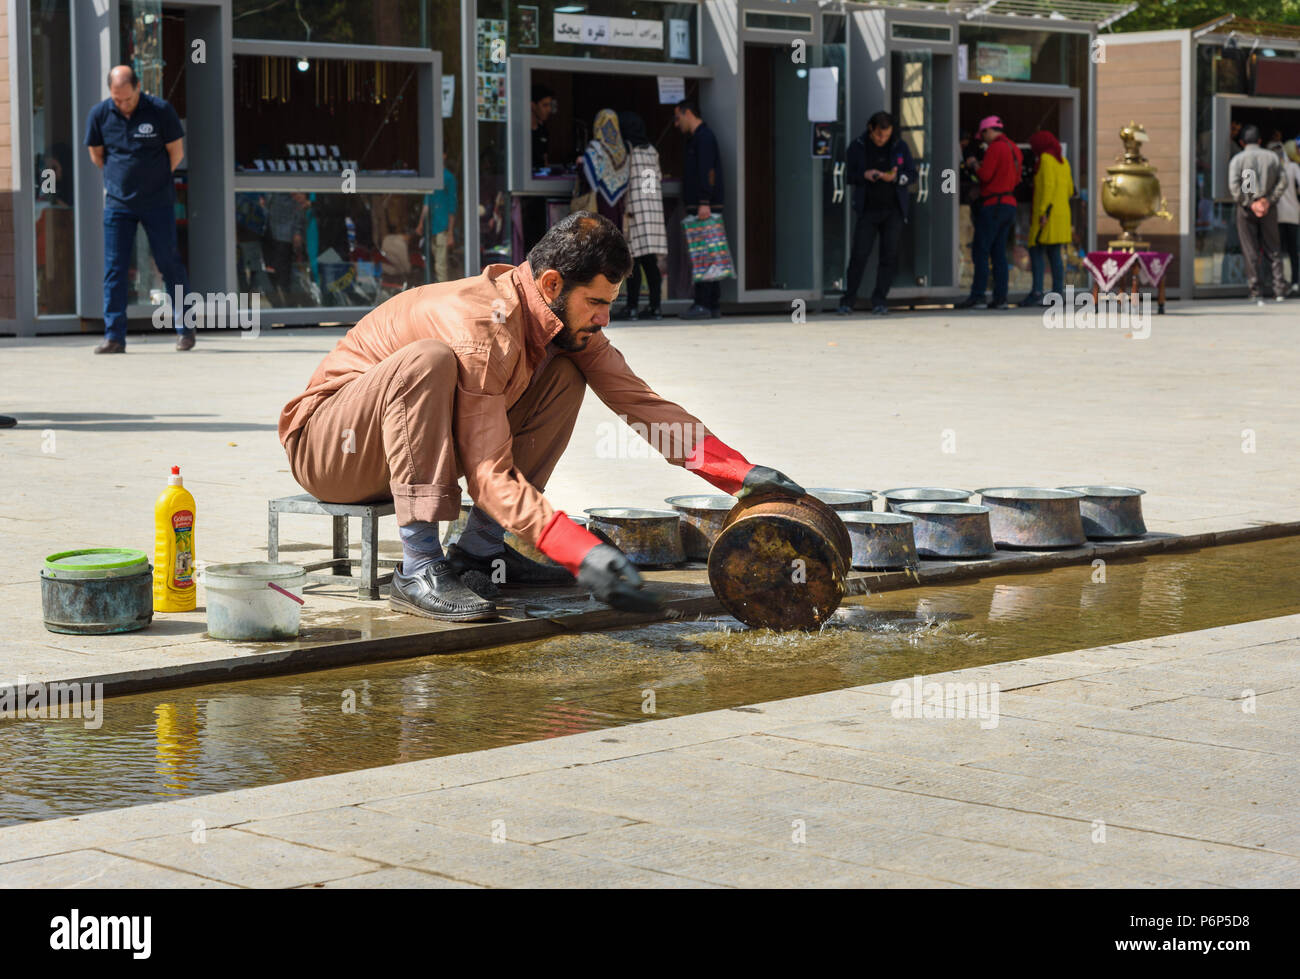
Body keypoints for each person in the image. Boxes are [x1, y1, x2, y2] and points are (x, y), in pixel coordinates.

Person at [278, 213, 804, 622]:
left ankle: (479, 554)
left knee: (567, 372)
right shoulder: (479, 328)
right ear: (552, 285)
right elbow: (488, 474)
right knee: (429, 361)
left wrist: (739, 474)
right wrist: (576, 548)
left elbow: (639, 401)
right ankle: (418, 567)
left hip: (396, 448)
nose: (604, 318)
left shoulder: (557, 321)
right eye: (596, 302)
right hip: (333, 451)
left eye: (611, 303)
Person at [84, 65, 192, 352]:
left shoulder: (160, 111)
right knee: (115, 269)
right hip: (118, 204)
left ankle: (185, 330)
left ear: (138, 87)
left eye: (127, 99)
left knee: (169, 264)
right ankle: (114, 336)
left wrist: (152, 181)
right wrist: (120, 180)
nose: (122, 104)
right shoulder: (100, 114)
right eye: (117, 99)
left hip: (158, 202)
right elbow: (97, 155)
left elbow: (176, 152)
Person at [837, 111, 916, 316]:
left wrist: (896, 179)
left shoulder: (900, 146)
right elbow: (846, 175)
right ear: (871, 129)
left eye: (886, 135)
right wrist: (863, 176)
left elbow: (912, 174)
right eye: (879, 135)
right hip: (868, 210)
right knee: (859, 255)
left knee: (889, 256)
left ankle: (880, 300)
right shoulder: (857, 146)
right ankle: (848, 300)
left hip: (893, 210)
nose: (882, 139)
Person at [955, 115, 1022, 311]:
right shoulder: (1014, 148)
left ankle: (978, 296)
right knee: (999, 252)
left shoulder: (995, 147)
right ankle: (1000, 298)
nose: (983, 140)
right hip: (1009, 204)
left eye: (983, 135)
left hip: (994, 205)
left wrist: (973, 163)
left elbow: (985, 174)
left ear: (988, 130)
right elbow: (1015, 179)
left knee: (981, 250)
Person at [613, 111, 667, 321]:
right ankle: (656, 308)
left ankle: (632, 307)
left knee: (633, 262)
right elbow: (658, 177)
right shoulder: (652, 150)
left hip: (635, 210)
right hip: (653, 211)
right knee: (651, 262)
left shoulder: (628, 150)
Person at [675, 99, 726, 319]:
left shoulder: (704, 138)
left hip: (705, 206)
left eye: (678, 118)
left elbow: (708, 171)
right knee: (708, 254)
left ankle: (704, 303)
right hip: (704, 205)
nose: (677, 124)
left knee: (704, 254)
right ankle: (712, 304)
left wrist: (704, 201)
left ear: (688, 113)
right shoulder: (698, 138)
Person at [1228, 124, 1287, 306]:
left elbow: (1235, 186)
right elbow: (1282, 181)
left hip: (1247, 210)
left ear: (1242, 141)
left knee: (1250, 250)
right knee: (1274, 249)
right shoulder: (1272, 157)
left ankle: (1256, 292)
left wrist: (1251, 203)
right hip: (1268, 208)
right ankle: (1279, 290)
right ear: (1260, 141)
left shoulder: (1239, 159)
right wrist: (1267, 200)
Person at [1021, 130, 1074, 308]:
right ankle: (1057, 293)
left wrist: (1043, 212)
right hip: (1061, 215)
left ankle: (1037, 292)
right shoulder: (1063, 162)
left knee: (1036, 252)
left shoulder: (1045, 159)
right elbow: (1069, 190)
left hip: (1046, 215)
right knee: (1055, 255)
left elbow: (1047, 187)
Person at [577, 109, 629, 227]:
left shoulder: (595, 149)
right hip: (619, 205)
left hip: (599, 203)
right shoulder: (622, 151)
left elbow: (586, 176)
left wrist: (580, 164)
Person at [418, 150, 458, 283]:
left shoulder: (448, 178)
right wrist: (420, 224)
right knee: (433, 264)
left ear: (444, 155)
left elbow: (452, 206)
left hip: (442, 227)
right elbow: (426, 203)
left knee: (440, 266)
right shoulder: (432, 178)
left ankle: (443, 297)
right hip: (431, 228)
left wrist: (451, 232)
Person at [1275, 138, 1300, 296]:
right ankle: (1295, 282)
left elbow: (1247, 188)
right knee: (1293, 250)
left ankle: (1277, 284)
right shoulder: (1293, 167)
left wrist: (1250, 201)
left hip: (1272, 214)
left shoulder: (1273, 166)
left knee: (1275, 251)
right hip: (1292, 214)